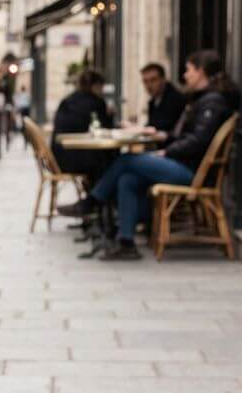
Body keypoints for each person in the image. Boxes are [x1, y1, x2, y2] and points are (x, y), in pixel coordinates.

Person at [58, 50, 240, 259]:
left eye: (189, 70)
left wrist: (166, 151)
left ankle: (93, 201)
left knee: (126, 160)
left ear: (201, 72)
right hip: (185, 164)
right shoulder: (203, 100)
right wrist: (162, 136)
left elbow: (198, 141)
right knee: (128, 178)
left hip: (193, 171)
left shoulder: (212, 102)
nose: (185, 75)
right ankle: (125, 241)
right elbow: (187, 137)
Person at [50, 68, 113, 184]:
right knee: (110, 158)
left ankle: (93, 195)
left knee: (100, 158)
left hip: (56, 160)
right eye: (101, 87)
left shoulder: (67, 100)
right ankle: (100, 198)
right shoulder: (96, 102)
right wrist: (110, 115)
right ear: (96, 85)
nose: (102, 91)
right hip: (77, 161)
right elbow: (106, 128)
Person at [140, 61, 187, 136]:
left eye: (153, 80)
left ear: (163, 79)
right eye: (145, 81)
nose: (149, 85)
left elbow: (162, 127)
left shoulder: (174, 99)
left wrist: (140, 129)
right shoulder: (154, 100)